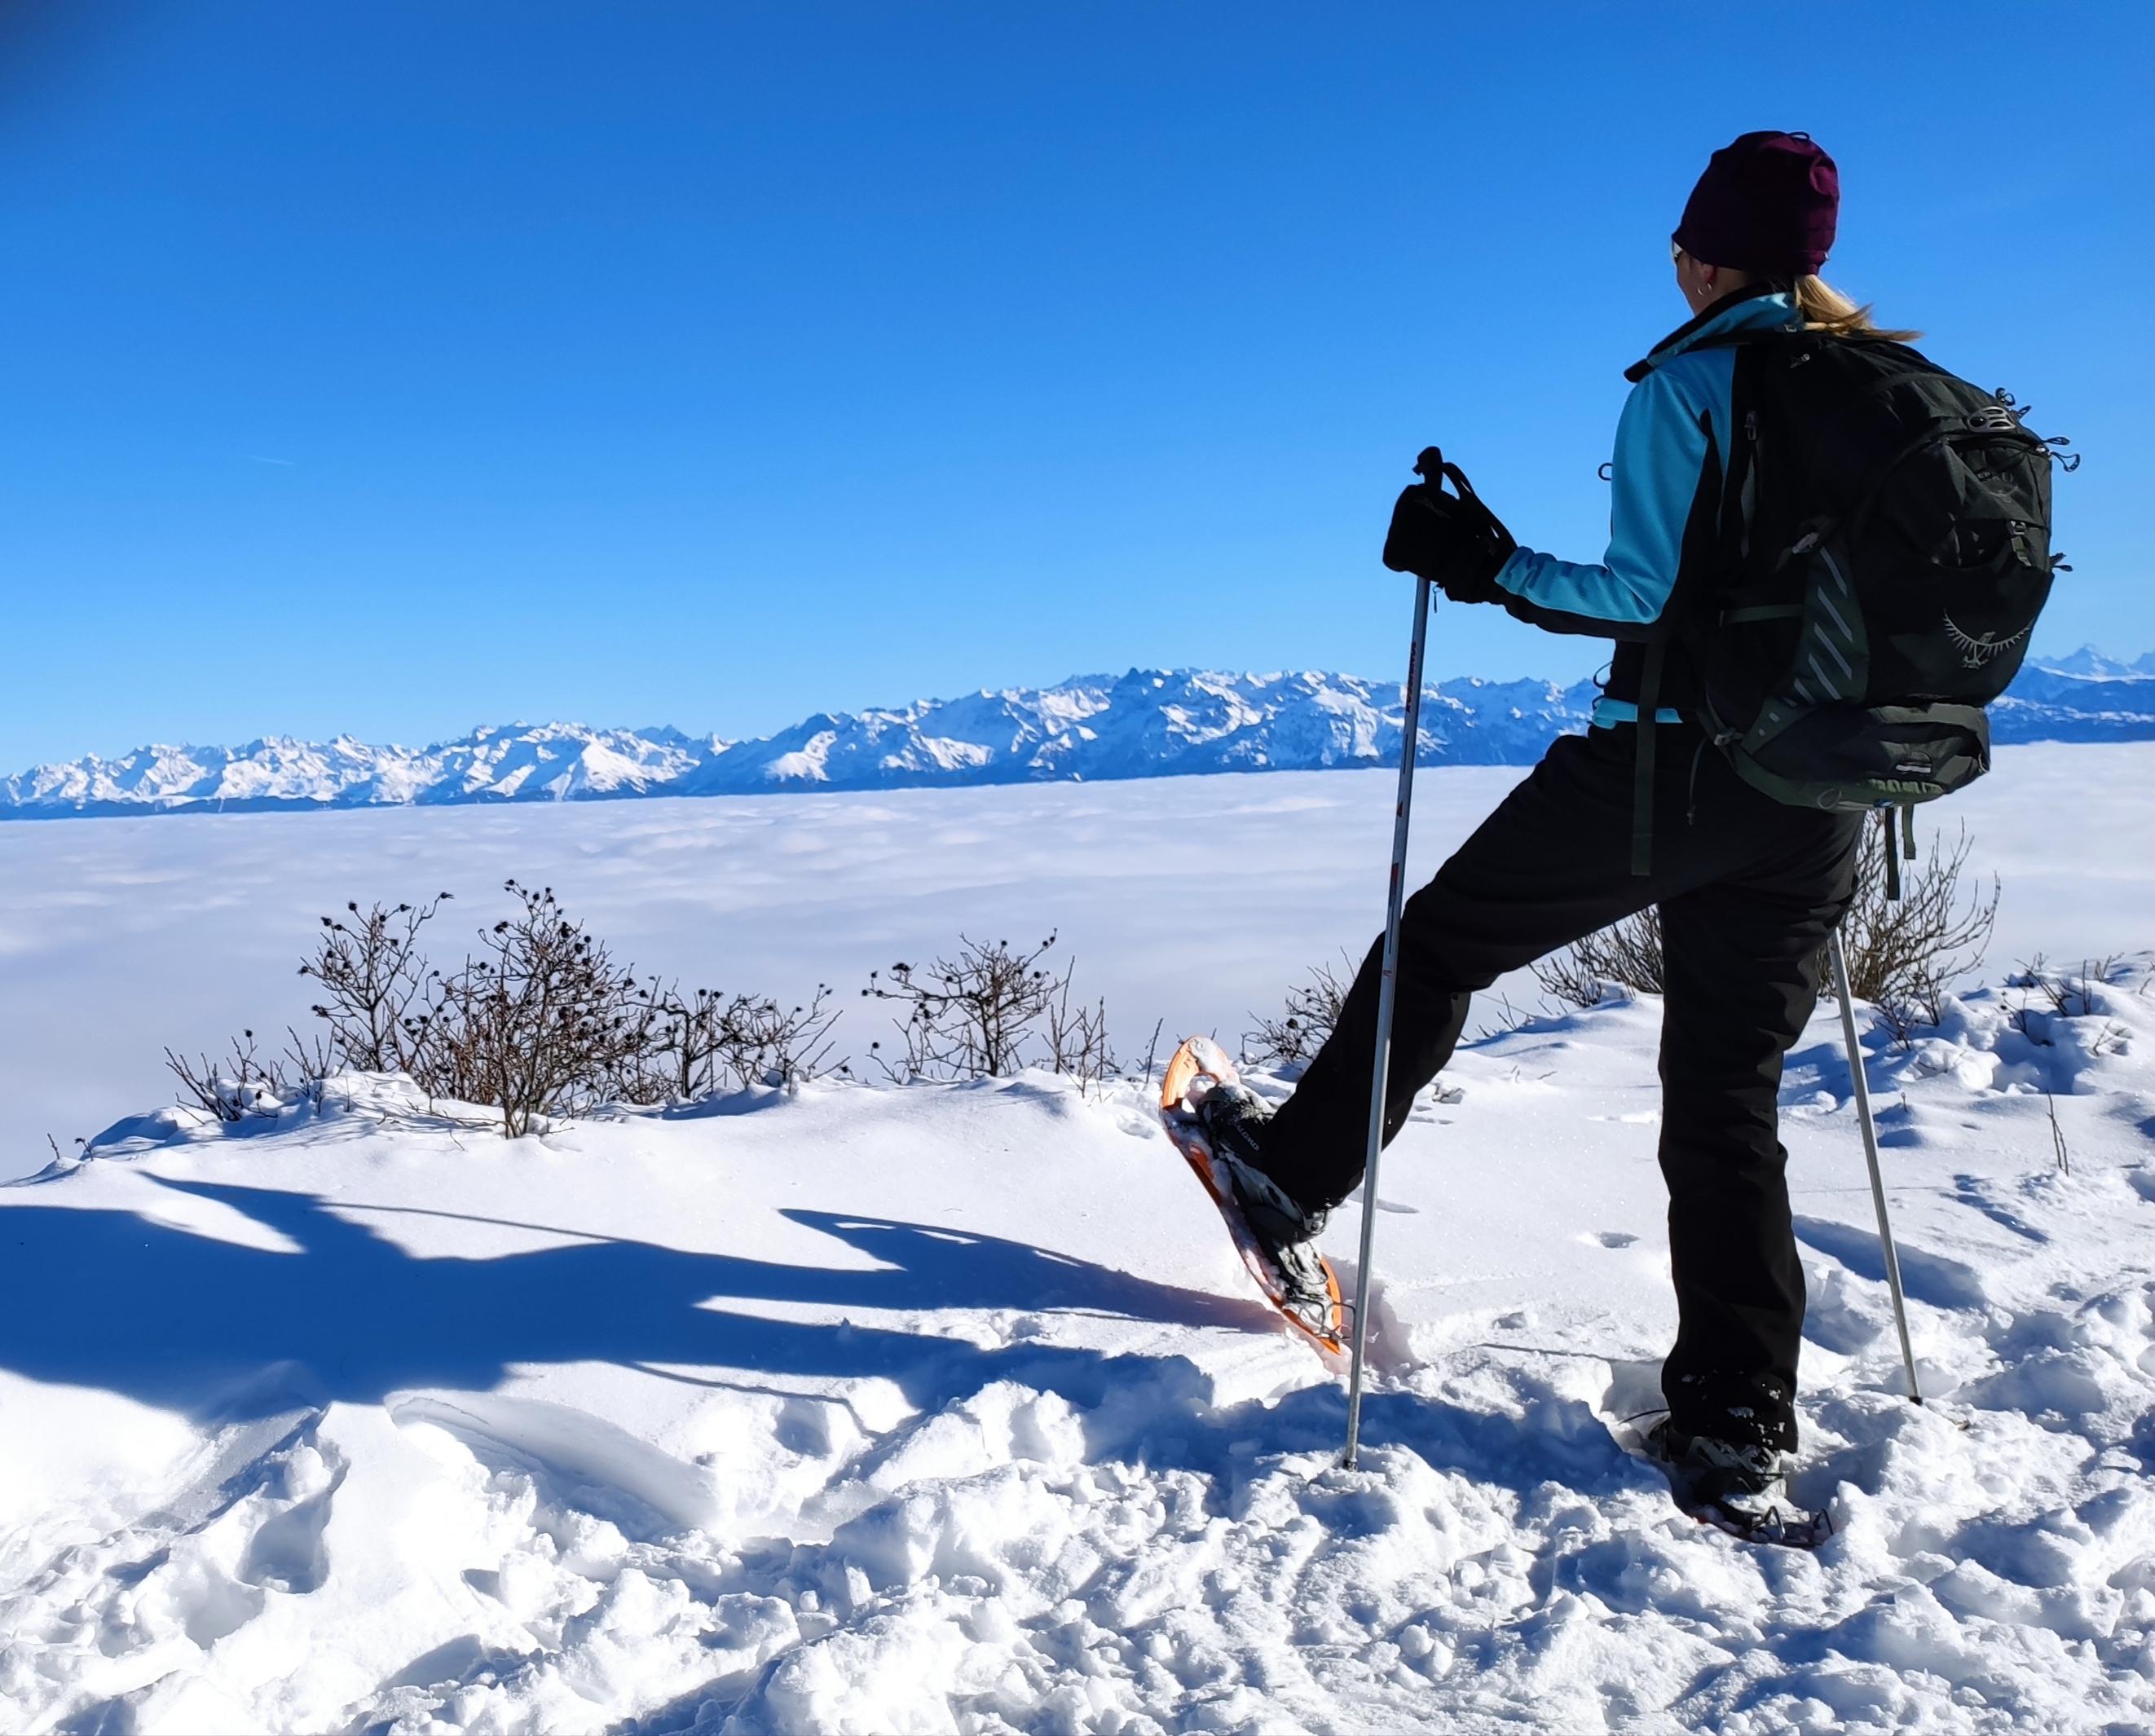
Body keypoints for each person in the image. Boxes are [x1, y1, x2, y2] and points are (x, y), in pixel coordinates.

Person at [1196, 131, 1895, 1536]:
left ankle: (1291, 1176)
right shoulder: (1882, 392)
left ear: (1708, 253)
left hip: (1676, 773)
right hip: (1826, 798)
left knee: (1443, 945)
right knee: (1726, 1104)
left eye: (1681, 243)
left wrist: (1485, 563)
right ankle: (1737, 1425)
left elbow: (1640, 592)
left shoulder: (1693, 384)